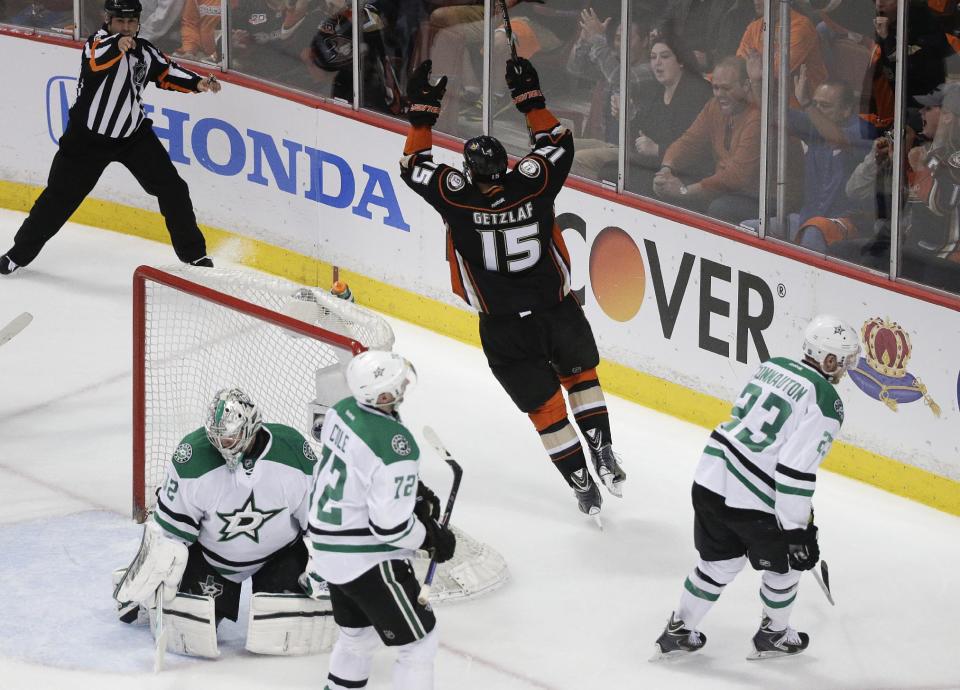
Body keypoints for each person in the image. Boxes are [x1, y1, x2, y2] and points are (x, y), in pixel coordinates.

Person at [399, 58, 626, 521]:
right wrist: (530, 98)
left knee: (544, 409)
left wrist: (424, 113)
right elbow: (558, 141)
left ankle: (581, 483)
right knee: (581, 378)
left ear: (468, 169)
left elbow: (413, 164)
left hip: (504, 328)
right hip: (556, 310)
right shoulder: (532, 182)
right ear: (506, 163)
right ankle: (603, 452)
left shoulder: (456, 195)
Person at [652, 315, 861, 660]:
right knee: (788, 564)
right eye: (843, 360)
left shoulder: (773, 365)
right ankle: (773, 634)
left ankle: (679, 629)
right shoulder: (826, 401)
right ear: (827, 359)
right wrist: (797, 532)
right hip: (752, 496)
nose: (845, 368)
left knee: (718, 564)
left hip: (709, 475)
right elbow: (794, 470)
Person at [0, 0, 220, 276]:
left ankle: (195, 257)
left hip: (133, 136)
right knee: (58, 200)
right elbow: (98, 59)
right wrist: (118, 44)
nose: (126, 28)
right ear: (108, 20)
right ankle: (17, 255)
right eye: (120, 22)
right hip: (86, 141)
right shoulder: (97, 43)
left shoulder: (144, 50)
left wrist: (198, 83)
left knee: (173, 189)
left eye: (131, 22)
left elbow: (167, 72)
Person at [114, 388, 333, 657]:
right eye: (218, 437)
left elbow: (322, 519)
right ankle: (141, 591)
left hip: (280, 555)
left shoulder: (291, 450)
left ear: (251, 427)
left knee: (284, 631)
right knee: (192, 632)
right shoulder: (192, 457)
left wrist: (326, 564)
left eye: (231, 437)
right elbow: (169, 534)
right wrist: (156, 571)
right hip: (214, 560)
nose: (223, 444)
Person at [302, 350, 456, 690]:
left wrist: (410, 491)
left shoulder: (341, 411)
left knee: (356, 640)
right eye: (396, 384)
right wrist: (429, 539)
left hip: (326, 550)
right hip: (366, 560)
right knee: (419, 646)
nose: (403, 385)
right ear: (382, 395)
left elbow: (358, 470)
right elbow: (390, 526)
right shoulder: (396, 446)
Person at [653, 56, 761, 224]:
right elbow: (689, 142)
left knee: (719, 208)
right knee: (661, 189)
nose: (719, 95)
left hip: (761, 199)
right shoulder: (714, 107)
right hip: (726, 189)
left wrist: (683, 191)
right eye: (715, 88)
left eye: (726, 88)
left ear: (746, 86)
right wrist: (666, 170)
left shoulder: (757, 116)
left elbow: (737, 176)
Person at [622, 29, 713, 195]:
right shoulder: (655, 90)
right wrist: (628, 116)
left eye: (664, 57)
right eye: (652, 57)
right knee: (612, 170)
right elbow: (640, 139)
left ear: (681, 61)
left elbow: (699, 149)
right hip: (653, 166)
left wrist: (658, 149)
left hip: (686, 175)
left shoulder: (698, 93)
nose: (657, 63)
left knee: (620, 175)